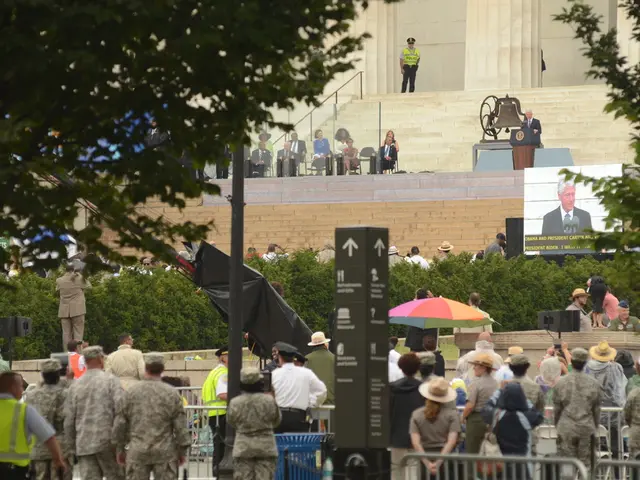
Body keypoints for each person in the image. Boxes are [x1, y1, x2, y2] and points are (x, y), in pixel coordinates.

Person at [113, 352, 190, 480]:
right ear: (162, 369)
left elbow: (120, 423)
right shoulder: (172, 393)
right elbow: (180, 426)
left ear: (145, 368)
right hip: (165, 452)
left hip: (138, 451)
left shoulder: (131, 393)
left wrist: (119, 449)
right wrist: (182, 451)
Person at [64, 346, 124, 480]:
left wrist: (71, 447)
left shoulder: (75, 386)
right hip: (108, 442)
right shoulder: (111, 381)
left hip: (84, 443)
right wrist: (120, 440)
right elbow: (121, 412)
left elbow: (69, 420)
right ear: (100, 359)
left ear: (85, 361)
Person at [0, 371, 66, 480]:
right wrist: (58, 460)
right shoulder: (23, 410)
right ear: (13, 388)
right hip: (15, 471)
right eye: (21, 386)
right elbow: (48, 436)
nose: (22, 391)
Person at [553, 348, 601, 474]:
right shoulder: (593, 383)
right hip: (586, 427)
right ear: (585, 363)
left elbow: (557, 408)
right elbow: (596, 409)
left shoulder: (561, 382)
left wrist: (556, 424)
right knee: (588, 466)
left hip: (566, 427)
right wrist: (594, 426)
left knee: (568, 466)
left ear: (572, 361)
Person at [227, 367, 281, 480]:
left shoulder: (235, 402)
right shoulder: (269, 400)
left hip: (243, 447)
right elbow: (277, 420)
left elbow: (231, 421)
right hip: (265, 447)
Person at [23, 359, 73, 480]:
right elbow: (70, 420)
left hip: (37, 448)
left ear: (43, 375)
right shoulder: (65, 394)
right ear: (58, 374)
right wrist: (70, 380)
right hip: (60, 448)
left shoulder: (30, 395)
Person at [483, 383, 543, 479]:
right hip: (524, 467)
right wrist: (525, 400)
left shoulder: (496, 415)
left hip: (500, 466)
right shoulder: (527, 417)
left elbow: (486, 408)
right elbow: (538, 415)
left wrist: (498, 392)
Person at [410, 378, 461, 478]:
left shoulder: (416, 415)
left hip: (423, 458)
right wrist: (438, 463)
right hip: (445, 459)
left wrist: (427, 463)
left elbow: (416, 443)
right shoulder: (452, 415)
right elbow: (451, 441)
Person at [587, 341, 627, 467]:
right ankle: (616, 472)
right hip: (613, 414)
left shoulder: (587, 368)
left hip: (592, 415)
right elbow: (619, 393)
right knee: (615, 447)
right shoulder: (615, 368)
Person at [271, 343, 327, 433]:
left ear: (280, 357)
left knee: (279, 445)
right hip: (298, 418)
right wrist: (311, 402)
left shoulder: (274, 374)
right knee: (299, 444)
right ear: (293, 357)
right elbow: (322, 391)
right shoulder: (306, 373)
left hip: (279, 418)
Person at [390, 353, 422, 480]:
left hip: (396, 435)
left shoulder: (392, 388)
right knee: (414, 470)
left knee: (396, 470)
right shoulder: (422, 389)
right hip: (417, 436)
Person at [462, 353, 498, 455]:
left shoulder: (476, 383)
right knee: (489, 451)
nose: (474, 368)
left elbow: (470, 405)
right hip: (492, 419)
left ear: (483, 367)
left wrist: (463, 417)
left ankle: (471, 471)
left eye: (476, 365)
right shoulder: (495, 383)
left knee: (473, 450)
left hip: (476, 420)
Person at [202, 346, 229, 473]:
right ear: (223, 358)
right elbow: (222, 394)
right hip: (221, 413)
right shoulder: (223, 373)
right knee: (221, 446)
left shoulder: (214, 372)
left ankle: (216, 472)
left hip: (214, 413)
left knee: (218, 445)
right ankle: (218, 472)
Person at [56, 264, 91, 351]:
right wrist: (79, 274)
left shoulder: (59, 280)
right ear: (74, 270)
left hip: (64, 311)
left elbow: (57, 290)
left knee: (66, 334)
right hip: (78, 309)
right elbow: (89, 286)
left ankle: (67, 353)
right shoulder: (78, 279)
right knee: (78, 333)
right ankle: (78, 353)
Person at [305, 332, 335, 406]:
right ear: (325, 343)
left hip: (312, 402)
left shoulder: (306, 359)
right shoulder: (334, 358)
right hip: (331, 401)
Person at [624, 378, 640, 461]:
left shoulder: (633, 393)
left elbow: (627, 414)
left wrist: (632, 425)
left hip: (636, 434)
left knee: (634, 465)